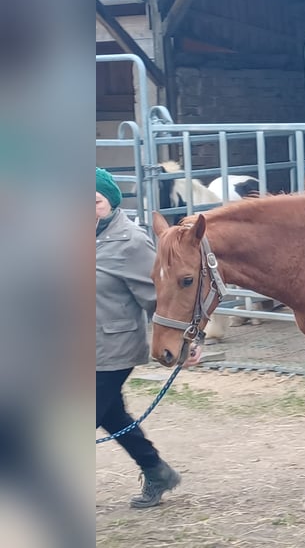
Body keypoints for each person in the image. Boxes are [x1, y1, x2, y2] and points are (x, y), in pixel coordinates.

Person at [96, 167, 201, 508]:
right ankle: (156, 470)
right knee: (112, 415)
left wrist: (186, 342)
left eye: (94, 200)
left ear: (111, 202)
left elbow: (163, 297)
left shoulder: (130, 242)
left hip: (113, 348)